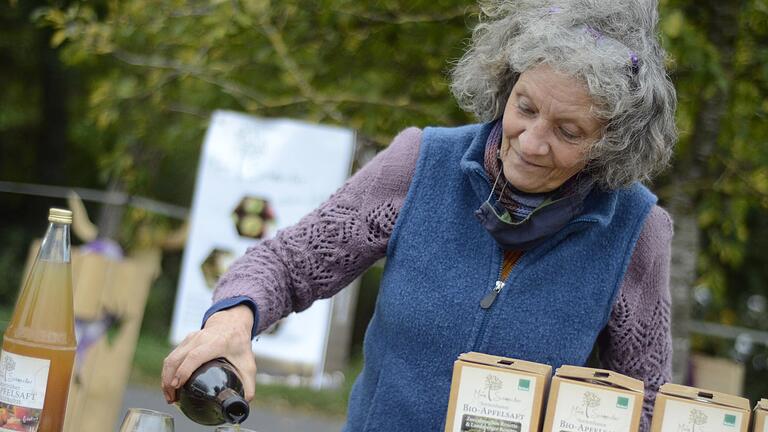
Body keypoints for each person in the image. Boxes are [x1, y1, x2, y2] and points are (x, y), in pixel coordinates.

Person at [162, 0, 677, 430]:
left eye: (568, 132)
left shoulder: (638, 231)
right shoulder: (420, 165)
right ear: (505, 85)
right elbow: (288, 263)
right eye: (525, 106)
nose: (533, 142)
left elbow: (645, 399)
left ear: (611, 144)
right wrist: (233, 318)